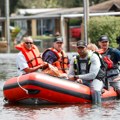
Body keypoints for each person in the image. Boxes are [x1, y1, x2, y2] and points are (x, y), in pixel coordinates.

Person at [68, 40, 104, 104]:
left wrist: (77, 77)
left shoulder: (94, 57)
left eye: (82, 48)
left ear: (86, 48)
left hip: (96, 79)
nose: (80, 50)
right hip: (81, 79)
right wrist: (77, 79)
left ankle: (96, 109)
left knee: (95, 90)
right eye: (79, 48)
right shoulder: (74, 59)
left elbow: (93, 75)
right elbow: (70, 75)